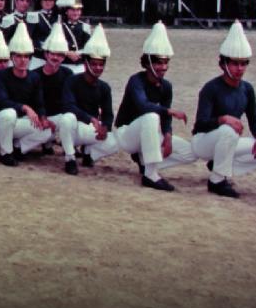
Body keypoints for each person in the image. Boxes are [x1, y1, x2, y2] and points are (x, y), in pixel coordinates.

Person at [192, 20, 256, 198]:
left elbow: (254, 119)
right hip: (204, 141)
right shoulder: (210, 88)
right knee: (228, 130)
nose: (239, 69)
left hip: (227, 141)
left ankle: (220, 165)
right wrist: (222, 119)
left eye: (243, 64)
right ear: (223, 64)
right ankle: (217, 181)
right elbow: (201, 124)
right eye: (235, 64)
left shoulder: (247, 89)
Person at [114, 22, 193, 190]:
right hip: (127, 133)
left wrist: (168, 136)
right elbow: (143, 106)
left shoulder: (166, 86)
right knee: (151, 116)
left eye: (165, 62)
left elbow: (165, 118)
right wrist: (169, 111)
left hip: (147, 134)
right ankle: (151, 175)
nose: (163, 67)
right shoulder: (136, 81)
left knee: (190, 153)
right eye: (158, 62)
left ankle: (146, 162)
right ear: (148, 62)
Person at [0, 23, 54, 166]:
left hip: (20, 123)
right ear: (12, 57)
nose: (23, 60)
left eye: (26, 57)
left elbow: (39, 103)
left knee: (48, 132)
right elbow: (2, 101)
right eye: (19, 56)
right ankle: (5, 153)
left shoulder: (34, 77)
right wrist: (24, 107)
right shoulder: (2, 75)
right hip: (1, 121)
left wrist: (43, 118)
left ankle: (19, 148)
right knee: (9, 113)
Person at [62, 24, 118, 167]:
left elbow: (108, 114)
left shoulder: (104, 87)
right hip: (75, 127)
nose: (98, 68)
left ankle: (89, 153)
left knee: (117, 141)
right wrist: (90, 118)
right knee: (67, 118)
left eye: (101, 64)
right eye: (94, 64)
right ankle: (70, 158)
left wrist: (105, 127)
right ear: (86, 64)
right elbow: (69, 106)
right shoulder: (72, 81)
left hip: (91, 128)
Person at [37, 21, 82, 175]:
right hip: (40, 117)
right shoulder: (35, 74)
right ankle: (21, 148)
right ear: (46, 54)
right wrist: (42, 116)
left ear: (64, 57)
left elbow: (70, 100)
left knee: (68, 118)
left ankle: (70, 157)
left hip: (59, 116)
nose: (55, 57)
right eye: (52, 54)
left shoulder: (68, 74)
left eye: (60, 55)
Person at [56, 0, 90, 74]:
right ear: (66, 11)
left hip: (79, 64)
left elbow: (88, 46)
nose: (76, 12)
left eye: (78, 10)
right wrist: (67, 53)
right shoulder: (59, 26)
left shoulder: (85, 26)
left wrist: (78, 54)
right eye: (72, 10)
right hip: (63, 64)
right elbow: (56, 44)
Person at [27, 0, 60, 69]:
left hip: (55, 56)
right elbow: (30, 37)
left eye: (50, 0)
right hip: (38, 56)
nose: (48, 2)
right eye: (45, 0)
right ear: (40, 1)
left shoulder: (58, 17)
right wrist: (41, 48)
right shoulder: (33, 16)